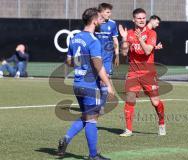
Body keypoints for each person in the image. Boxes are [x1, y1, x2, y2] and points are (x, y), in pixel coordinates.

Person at [57, 8, 114, 160]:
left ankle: (67, 138)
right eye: (100, 18)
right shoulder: (93, 40)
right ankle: (93, 155)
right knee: (92, 120)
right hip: (90, 86)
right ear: (94, 21)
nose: (102, 21)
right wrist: (108, 84)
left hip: (77, 84)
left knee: (86, 116)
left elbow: (69, 61)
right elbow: (97, 64)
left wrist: (82, 63)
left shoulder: (74, 38)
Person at [118, 8, 166, 137]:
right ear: (133, 19)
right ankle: (128, 130)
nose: (141, 20)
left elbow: (147, 51)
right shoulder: (129, 33)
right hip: (133, 72)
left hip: (148, 73)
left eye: (143, 18)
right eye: (138, 18)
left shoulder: (151, 33)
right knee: (130, 99)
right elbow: (123, 53)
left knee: (155, 102)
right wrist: (123, 39)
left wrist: (140, 39)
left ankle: (161, 123)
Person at [96, 3, 119, 115]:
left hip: (107, 59)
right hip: (94, 58)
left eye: (110, 12)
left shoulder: (113, 24)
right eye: (107, 12)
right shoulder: (94, 23)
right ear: (101, 12)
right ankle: (93, 104)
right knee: (94, 82)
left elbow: (115, 41)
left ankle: (101, 106)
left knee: (104, 82)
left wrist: (117, 55)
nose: (110, 14)